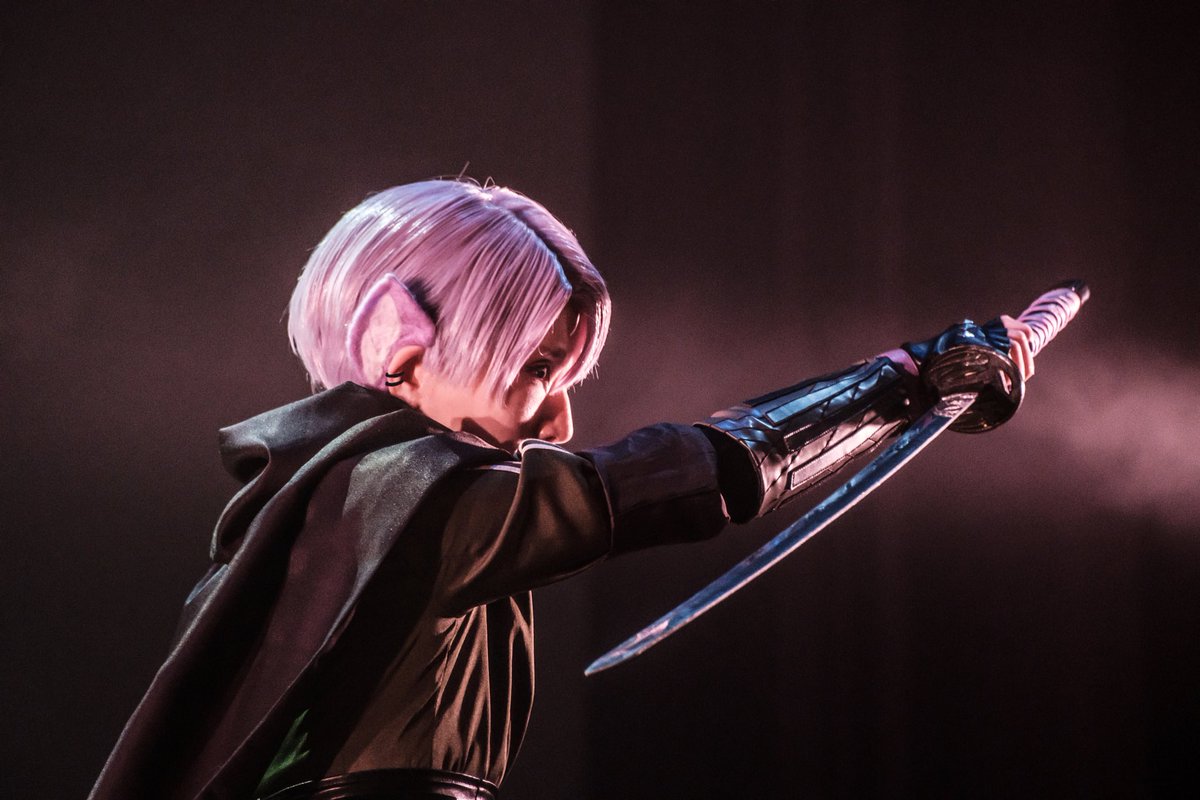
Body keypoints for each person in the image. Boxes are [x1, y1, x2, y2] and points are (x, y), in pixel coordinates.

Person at [88, 179, 1034, 800]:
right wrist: (901, 381)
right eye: (537, 368)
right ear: (397, 342)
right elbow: (682, 477)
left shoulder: (356, 512)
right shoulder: (394, 500)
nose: (559, 418)